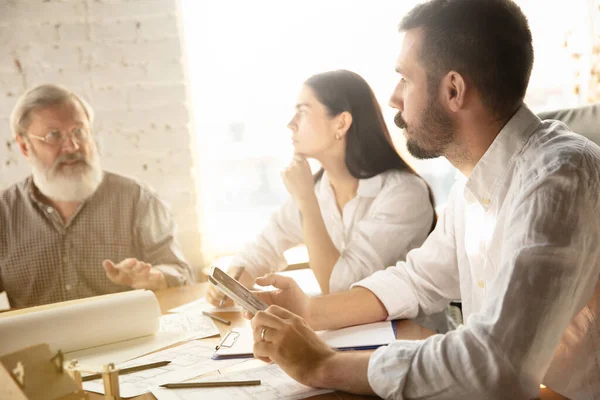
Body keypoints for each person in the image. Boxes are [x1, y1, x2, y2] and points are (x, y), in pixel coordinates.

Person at [247, 0, 600, 398]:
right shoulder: (474, 189)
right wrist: (311, 312)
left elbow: (498, 364)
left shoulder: (560, 176)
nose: (394, 97)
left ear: (453, 89)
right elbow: (416, 280)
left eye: (405, 79)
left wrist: (323, 364)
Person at [206, 70, 437, 304]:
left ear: (342, 123)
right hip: (349, 332)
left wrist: (307, 200)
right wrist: (232, 281)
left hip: (408, 334)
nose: (291, 124)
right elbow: (264, 246)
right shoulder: (320, 188)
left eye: (303, 112)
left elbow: (340, 288)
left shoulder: (403, 194)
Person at [0, 84, 193, 308]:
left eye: (79, 132)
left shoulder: (137, 199)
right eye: (54, 135)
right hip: (37, 342)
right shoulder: (4, 213)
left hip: (127, 338)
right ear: (24, 146)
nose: (72, 147)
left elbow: (181, 272)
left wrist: (155, 277)